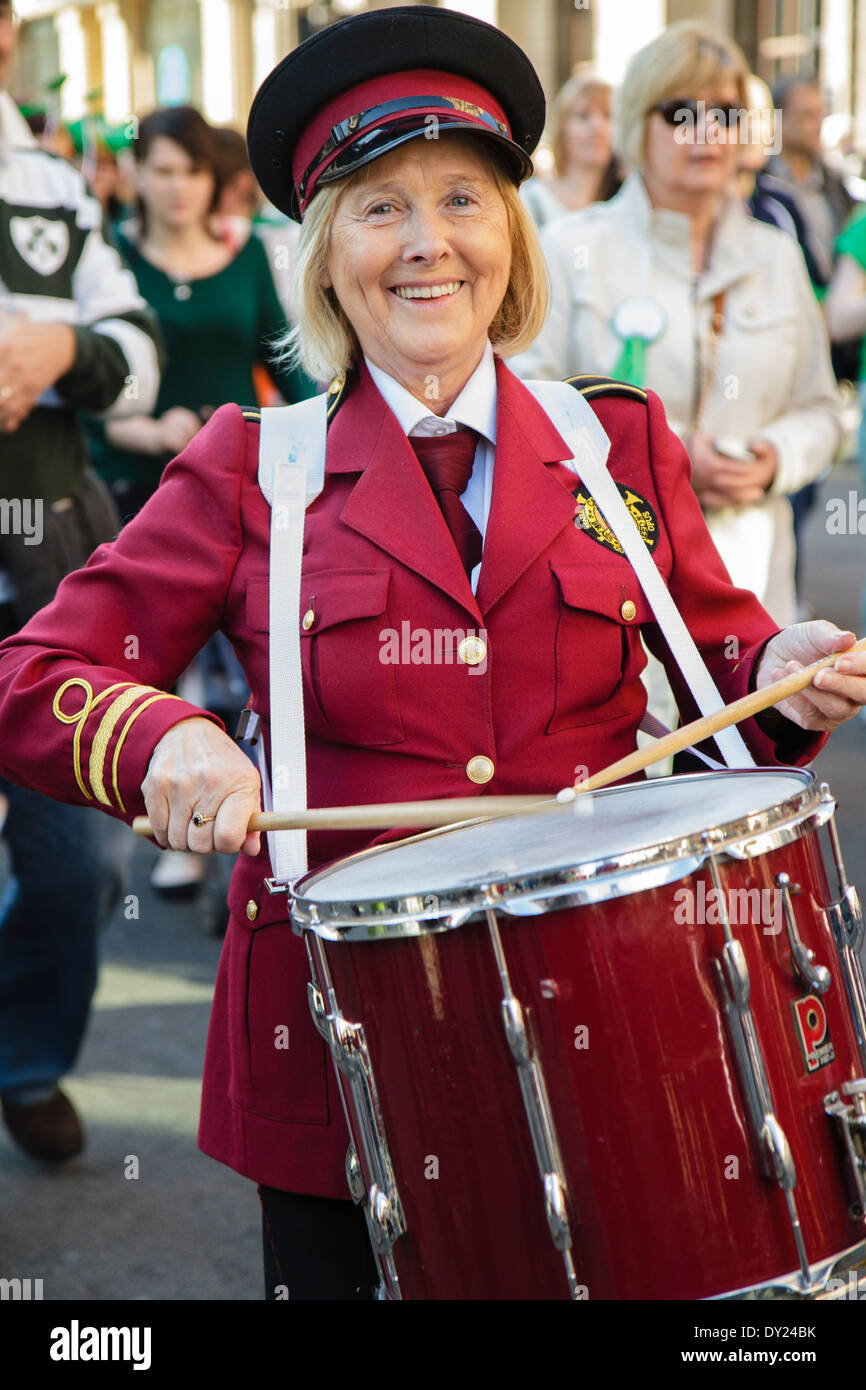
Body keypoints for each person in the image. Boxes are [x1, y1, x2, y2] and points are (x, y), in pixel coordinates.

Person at [0, 5, 865, 1299]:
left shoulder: (612, 444)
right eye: (378, 207)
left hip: (616, 1030)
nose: (425, 243)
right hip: (343, 1064)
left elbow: (722, 674)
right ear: (327, 254)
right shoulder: (252, 465)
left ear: (506, 234)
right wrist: (161, 735)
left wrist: (781, 667)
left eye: (460, 198)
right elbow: (35, 675)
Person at [512, 24, 840, 631]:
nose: (707, 131)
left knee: (752, 723)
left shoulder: (775, 255)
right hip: (608, 587)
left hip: (751, 582)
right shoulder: (568, 249)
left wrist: (774, 458)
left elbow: (821, 409)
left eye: (726, 112)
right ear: (637, 125)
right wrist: (670, 455)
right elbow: (525, 399)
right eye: (682, 111)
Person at [0, 0, 162, 1162]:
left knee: (80, 861)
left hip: (42, 561)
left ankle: (26, 1055)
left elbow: (136, 350)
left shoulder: (50, 185)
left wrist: (63, 351)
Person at [89, 105, 311, 523]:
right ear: (134, 171)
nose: (179, 186)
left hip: (238, 478)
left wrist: (328, 427)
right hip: (134, 487)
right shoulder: (110, 256)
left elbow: (282, 357)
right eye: (164, 171)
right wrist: (153, 433)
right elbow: (89, 389)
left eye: (193, 171)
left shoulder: (246, 250)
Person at [520, 73, 621, 229]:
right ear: (562, 129)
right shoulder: (530, 201)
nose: (597, 126)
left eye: (607, 116)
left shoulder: (625, 204)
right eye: (583, 116)